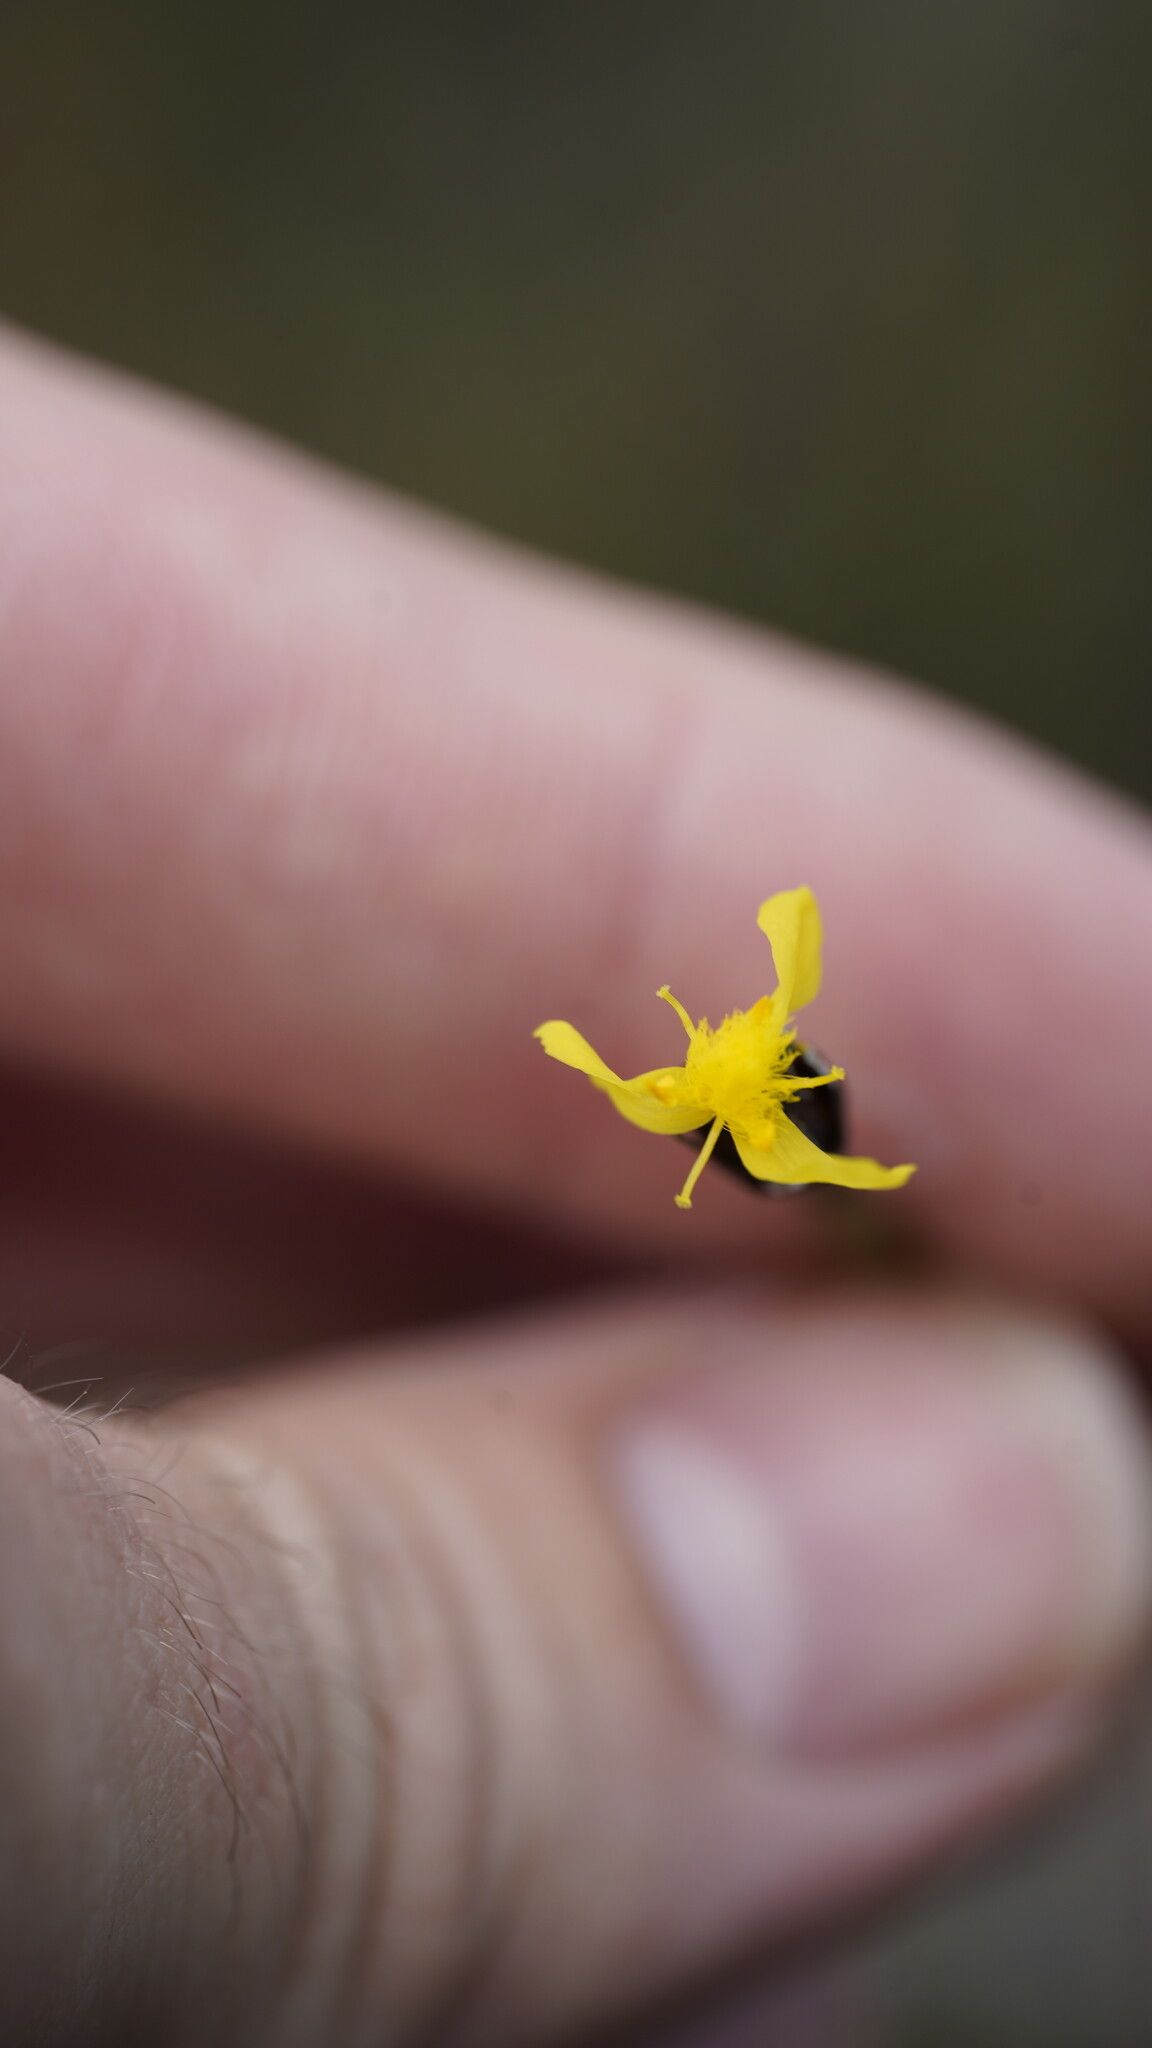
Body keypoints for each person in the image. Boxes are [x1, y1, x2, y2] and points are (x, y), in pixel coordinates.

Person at [0, 321, 1149, 2048]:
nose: (727, 1069)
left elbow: (807, 1111)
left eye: (742, 1080)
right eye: (725, 1085)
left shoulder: (777, 1106)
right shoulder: (753, 1117)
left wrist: (794, 1135)